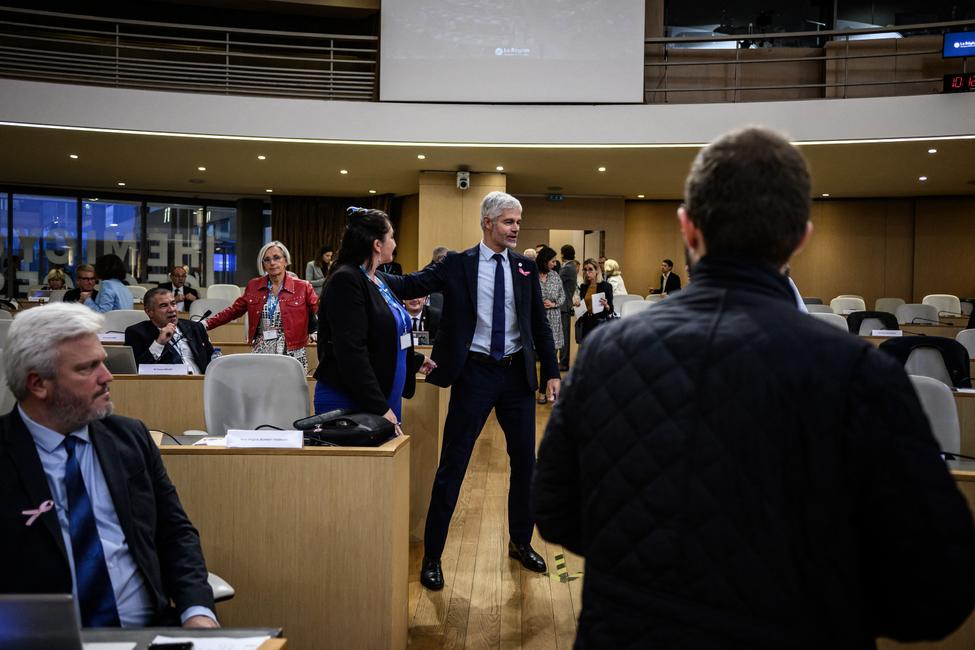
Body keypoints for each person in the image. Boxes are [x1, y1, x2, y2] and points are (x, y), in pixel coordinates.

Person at [532, 127, 975, 648]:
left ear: (688, 229)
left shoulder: (607, 353)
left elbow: (556, 512)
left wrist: (640, 567)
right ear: (800, 238)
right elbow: (937, 591)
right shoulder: (863, 374)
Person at [0, 303, 218, 628]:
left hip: (148, 633)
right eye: (87, 368)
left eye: (102, 361)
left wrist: (197, 612)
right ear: (38, 384)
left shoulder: (129, 438)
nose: (107, 376)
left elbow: (175, 534)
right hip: (37, 636)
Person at [383, 191, 560, 591]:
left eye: (518, 222)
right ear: (487, 222)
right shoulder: (457, 265)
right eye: (508, 222)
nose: (516, 228)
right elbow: (410, 282)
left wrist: (551, 371)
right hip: (474, 376)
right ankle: (432, 556)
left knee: (525, 465)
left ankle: (520, 542)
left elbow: (539, 326)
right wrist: (368, 268)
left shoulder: (525, 268)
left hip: (516, 379)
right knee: (453, 467)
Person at [314, 209, 435, 429]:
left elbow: (381, 335)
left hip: (382, 395)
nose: (395, 243)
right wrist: (379, 407)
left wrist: (412, 360)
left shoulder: (376, 278)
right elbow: (351, 352)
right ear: (377, 245)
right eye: (392, 237)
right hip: (354, 400)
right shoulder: (346, 280)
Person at [205, 241, 318, 372]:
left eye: (277, 257)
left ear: (285, 261)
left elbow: (321, 311)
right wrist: (205, 324)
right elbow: (233, 311)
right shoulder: (254, 286)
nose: (272, 263)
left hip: (293, 352)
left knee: (290, 391)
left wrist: (317, 332)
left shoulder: (303, 287)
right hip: (262, 350)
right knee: (261, 391)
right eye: (267, 260)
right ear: (263, 265)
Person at [124, 288, 215, 374]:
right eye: (163, 306)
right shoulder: (136, 333)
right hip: (168, 386)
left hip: (202, 383)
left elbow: (212, 359)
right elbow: (137, 370)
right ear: (149, 311)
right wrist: (159, 343)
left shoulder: (195, 327)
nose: (171, 309)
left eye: (173, 303)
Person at [535, 246, 564, 404]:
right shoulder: (532, 276)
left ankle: (543, 392)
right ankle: (530, 388)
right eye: (552, 261)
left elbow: (562, 297)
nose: (555, 263)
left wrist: (553, 303)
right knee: (532, 357)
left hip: (553, 319)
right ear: (545, 261)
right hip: (536, 320)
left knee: (549, 357)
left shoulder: (555, 276)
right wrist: (540, 304)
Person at [573, 258, 613, 343]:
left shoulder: (606, 286)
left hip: (600, 322)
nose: (587, 273)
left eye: (590, 269)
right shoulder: (584, 286)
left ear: (597, 271)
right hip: (587, 322)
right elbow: (584, 307)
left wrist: (606, 305)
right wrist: (578, 305)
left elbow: (611, 310)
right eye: (585, 270)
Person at [558, 245, 578, 372]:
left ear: (563, 254)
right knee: (562, 334)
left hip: (564, 305)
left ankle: (564, 362)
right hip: (564, 304)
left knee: (564, 336)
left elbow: (555, 280)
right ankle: (563, 361)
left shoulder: (568, 267)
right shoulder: (570, 266)